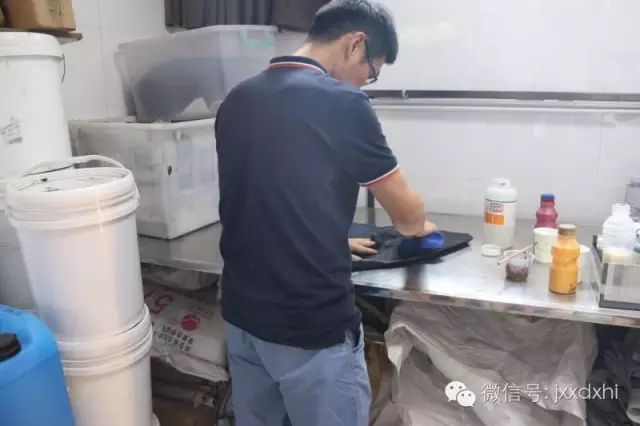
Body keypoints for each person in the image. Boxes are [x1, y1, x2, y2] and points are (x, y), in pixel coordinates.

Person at [215, 1, 436, 424]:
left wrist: (330, 238)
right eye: (372, 72)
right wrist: (422, 223)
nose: (365, 82)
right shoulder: (342, 102)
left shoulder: (238, 98)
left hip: (242, 317)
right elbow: (409, 218)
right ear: (356, 44)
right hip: (307, 323)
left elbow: (267, 193)